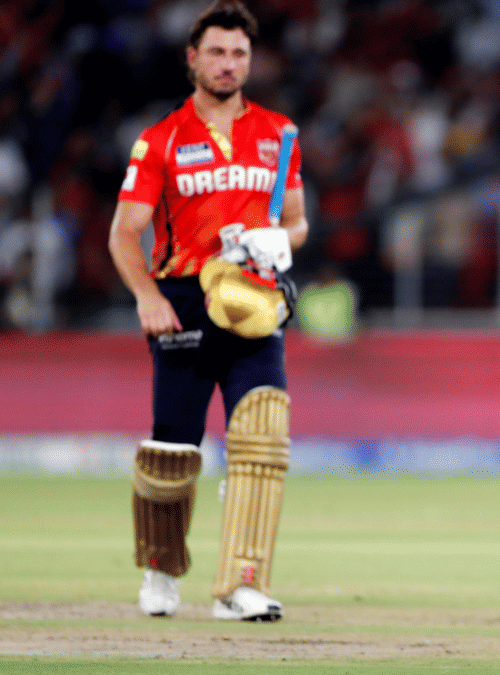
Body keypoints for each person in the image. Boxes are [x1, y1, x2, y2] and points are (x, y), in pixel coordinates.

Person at [108, 0, 308, 621]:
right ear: (192, 58)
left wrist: (283, 242)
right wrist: (148, 297)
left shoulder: (280, 134)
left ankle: (240, 585)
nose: (229, 64)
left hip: (254, 298)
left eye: (239, 53)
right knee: (174, 452)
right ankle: (161, 570)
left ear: (252, 61)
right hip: (186, 300)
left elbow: (297, 223)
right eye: (217, 52)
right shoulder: (161, 140)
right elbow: (123, 234)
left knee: (262, 437)